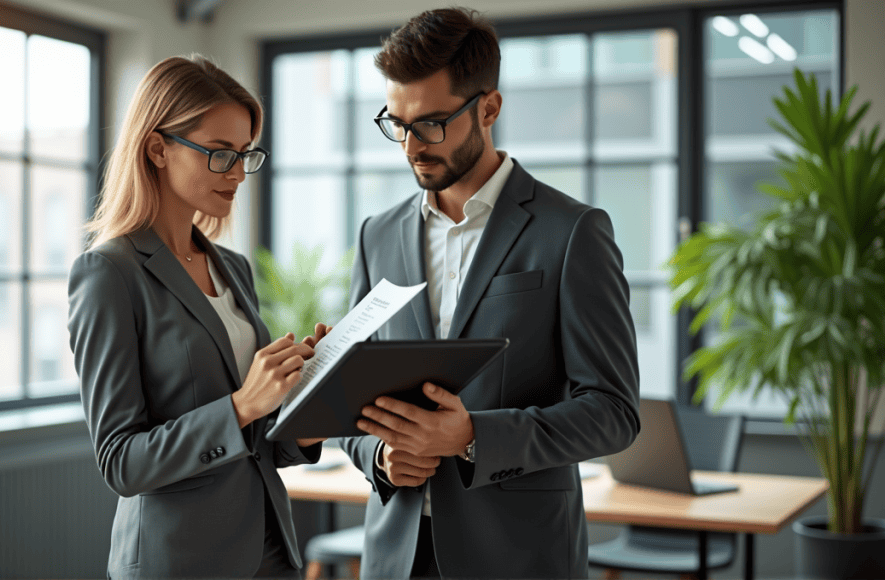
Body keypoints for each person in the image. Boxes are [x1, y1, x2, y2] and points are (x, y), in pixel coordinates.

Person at [336, 8, 641, 579]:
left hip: (518, 558)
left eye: (429, 124)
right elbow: (349, 396)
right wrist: (379, 457)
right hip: (396, 558)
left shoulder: (572, 232)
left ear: (489, 108)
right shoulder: (376, 235)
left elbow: (614, 412)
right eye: (396, 124)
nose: (409, 146)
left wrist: (475, 435)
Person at [67, 54, 327, 579]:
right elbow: (122, 461)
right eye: (218, 154)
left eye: (244, 155)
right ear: (158, 148)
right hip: (181, 561)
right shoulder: (108, 274)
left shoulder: (231, 267)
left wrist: (304, 403)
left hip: (269, 549)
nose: (237, 174)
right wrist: (241, 405)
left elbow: (255, 439)